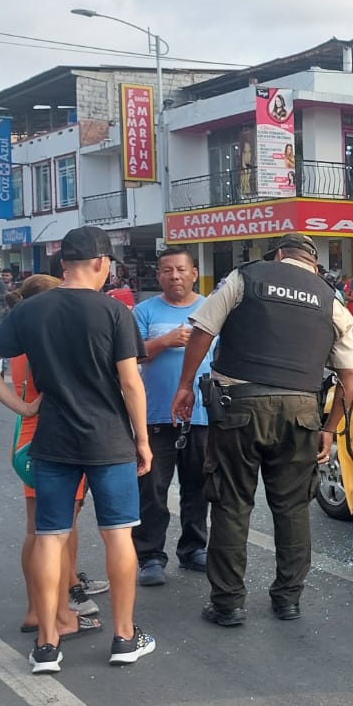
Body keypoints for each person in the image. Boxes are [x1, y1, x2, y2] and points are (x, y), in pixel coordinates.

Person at [0, 225, 156, 675]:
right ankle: (125, 637)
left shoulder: (32, 310)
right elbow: (130, 382)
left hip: (52, 439)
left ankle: (47, 646)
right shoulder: (114, 312)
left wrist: (22, 405)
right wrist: (143, 441)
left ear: (62, 263)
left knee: (50, 536)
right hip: (109, 440)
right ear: (101, 263)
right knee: (118, 535)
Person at [171, 233, 353, 626]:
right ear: (312, 263)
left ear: (277, 254)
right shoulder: (332, 300)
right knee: (292, 508)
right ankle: (288, 599)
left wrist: (186, 385)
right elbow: (349, 375)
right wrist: (330, 427)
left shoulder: (245, 278)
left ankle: (227, 605)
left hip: (238, 407)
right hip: (302, 412)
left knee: (231, 503)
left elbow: (203, 332)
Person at [7, 273, 101, 640]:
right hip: (54, 440)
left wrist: (22, 408)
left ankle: (37, 609)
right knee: (55, 533)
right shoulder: (45, 340)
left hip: (28, 440)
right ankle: (60, 613)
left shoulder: (21, 338)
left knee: (39, 530)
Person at [132, 248, 213, 587]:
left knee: (198, 486)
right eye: (167, 270)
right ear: (159, 276)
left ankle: (194, 548)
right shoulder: (143, 311)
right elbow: (130, 355)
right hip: (155, 415)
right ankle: (150, 556)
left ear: (194, 273)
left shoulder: (211, 308)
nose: (174, 276)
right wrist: (165, 341)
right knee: (152, 488)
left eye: (181, 270)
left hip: (202, 415)